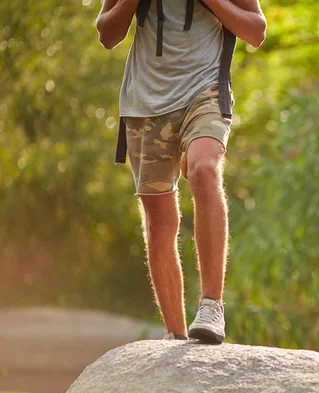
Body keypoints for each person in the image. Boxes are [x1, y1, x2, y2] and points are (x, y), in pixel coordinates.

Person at [95, 0, 266, 343]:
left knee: (205, 171)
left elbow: (256, 31)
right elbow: (107, 35)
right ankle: (175, 335)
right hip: (145, 102)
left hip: (204, 92)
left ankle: (211, 305)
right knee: (159, 219)